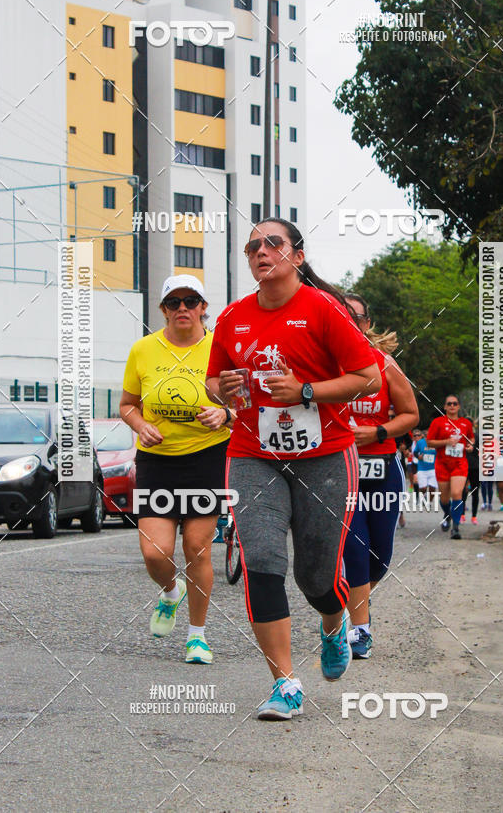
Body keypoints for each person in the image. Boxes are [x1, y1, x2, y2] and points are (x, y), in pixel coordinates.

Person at [205, 219, 381, 721]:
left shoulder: (324, 309)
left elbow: (368, 378)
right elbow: (213, 382)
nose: (260, 251)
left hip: (325, 455)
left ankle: (333, 623)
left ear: (297, 256)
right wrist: (225, 387)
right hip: (253, 453)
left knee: (316, 575)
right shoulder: (233, 317)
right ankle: (284, 683)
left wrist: (306, 391)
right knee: (262, 560)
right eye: (251, 247)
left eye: (272, 243)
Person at [120, 275, 233, 665]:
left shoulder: (220, 348)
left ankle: (196, 637)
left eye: (190, 301)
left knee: (197, 548)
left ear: (203, 307)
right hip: (157, 460)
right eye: (173, 302)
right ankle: (171, 591)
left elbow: (248, 405)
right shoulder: (143, 349)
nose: (182, 308)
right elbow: (127, 405)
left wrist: (224, 414)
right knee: (155, 553)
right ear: (163, 310)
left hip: (207, 456)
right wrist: (140, 425)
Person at [342, 294, 418, 660]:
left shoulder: (384, 364)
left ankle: (355, 601)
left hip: (382, 466)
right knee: (354, 547)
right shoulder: (324, 363)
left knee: (380, 555)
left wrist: (379, 432)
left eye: (356, 316)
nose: (350, 321)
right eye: (342, 314)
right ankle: (360, 628)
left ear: (367, 323)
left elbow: (411, 414)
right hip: (340, 469)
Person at [426, 395, 474, 539]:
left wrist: (470, 445)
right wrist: (446, 441)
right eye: (449, 404)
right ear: (445, 407)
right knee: (445, 498)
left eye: (455, 403)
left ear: (459, 406)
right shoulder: (438, 422)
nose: (452, 406)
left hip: (459, 463)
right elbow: (429, 442)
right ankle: (447, 514)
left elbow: (471, 438)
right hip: (442, 463)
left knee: (457, 493)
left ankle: (456, 528)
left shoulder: (466, 423)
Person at [462, 420, 480, 523]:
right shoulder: (461, 437)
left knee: (475, 492)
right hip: (463, 466)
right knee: (462, 491)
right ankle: (462, 514)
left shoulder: (477, 437)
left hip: (475, 467)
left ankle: (474, 516)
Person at [414, 429, 439, 501]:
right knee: (423, 488)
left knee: (432, 488)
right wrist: (418, 457)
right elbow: (415, 452)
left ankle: (429, 502)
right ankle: (423, 497)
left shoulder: (436, 442)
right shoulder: (420, 442)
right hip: (422, 468)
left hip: (433, 468)